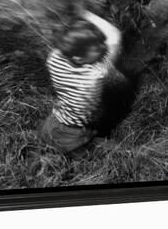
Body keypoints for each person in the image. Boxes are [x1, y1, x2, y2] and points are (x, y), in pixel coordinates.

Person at [40, 10, 122, 152]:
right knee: (115, 149)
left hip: (52, 122)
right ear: (79, 58)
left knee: (51, 142)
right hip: (72, 134)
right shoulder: (94, 75)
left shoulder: (54, 58)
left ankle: (48, 145)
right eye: (96, 48)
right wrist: (85, 12)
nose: (103, 47)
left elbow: (65, 40)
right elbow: (115, 36)